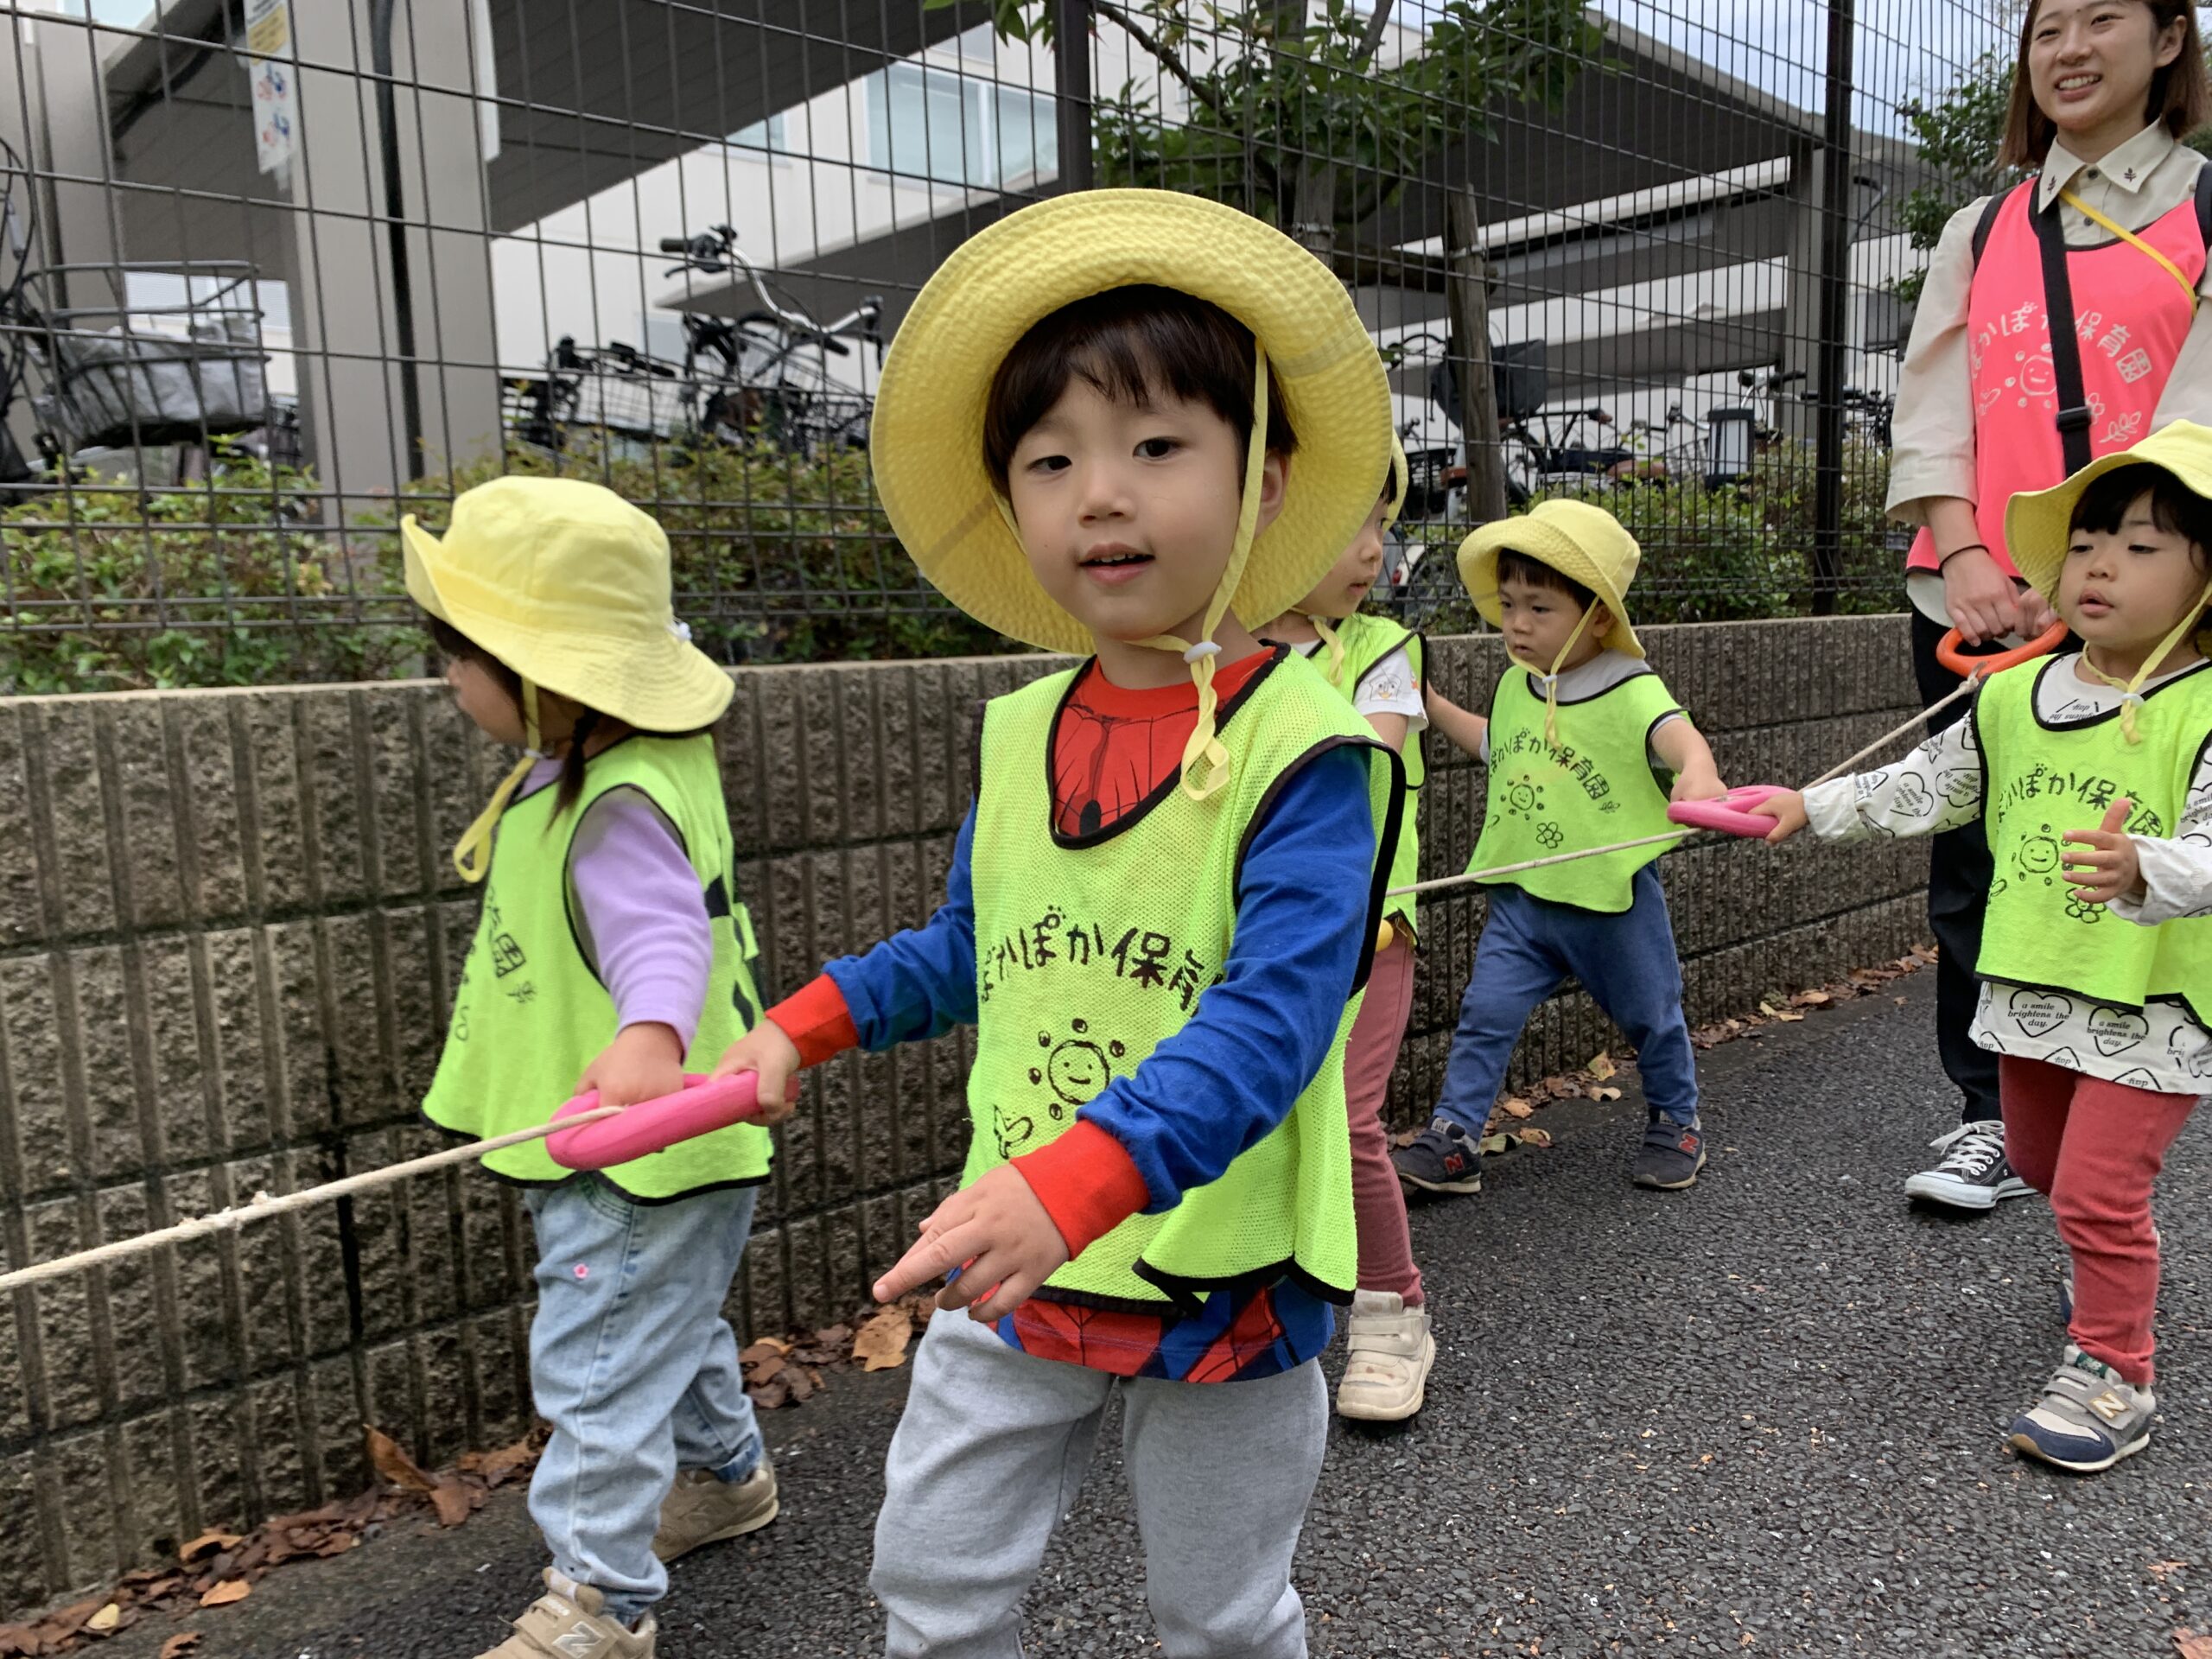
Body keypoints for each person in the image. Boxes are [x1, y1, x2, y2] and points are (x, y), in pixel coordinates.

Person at [713, 190, 1400, 1656]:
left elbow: (1274, 1027)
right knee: (933, 1584)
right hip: (1011, 1253)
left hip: (1221, 1273)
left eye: (1157, 447)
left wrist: (1078, 1179)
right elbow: (971, 945)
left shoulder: (1311, 747)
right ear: (1011, 501)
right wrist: (801, 1023)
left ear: (1266, 478)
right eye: (1052, 459)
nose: (1102, 493)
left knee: (1216, 1617)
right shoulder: (1019, 733)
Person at [1759, 423, 2212, 1471]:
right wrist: (1806, 806)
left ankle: (2115, 1373)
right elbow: (1926, 786)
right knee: (2048, 1167)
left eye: (2143, 546)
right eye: (2089, 538)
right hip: (2028, 988)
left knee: (2101, 1192)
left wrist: (2153, 868)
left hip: (2156, 1005)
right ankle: (2105, 1268)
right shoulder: (2013, 695)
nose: (2099, 562)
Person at [406, 478, 780, 1659]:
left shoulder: (615, 798)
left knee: (599, 1365)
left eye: (457, 658)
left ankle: (601, 1602)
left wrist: (648, 1037)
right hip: (649, 1143)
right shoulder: (602, 757)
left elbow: (663, 932)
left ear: (538, 671)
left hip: (639, 1133)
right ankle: (722, 1476)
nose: (448, 682)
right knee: (655, 1322)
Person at [1885, 0, 2211, 1211]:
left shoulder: (2205, 210)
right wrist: (1969, 556)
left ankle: (2126, 1110)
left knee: (2145, 856)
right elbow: (1930, 415)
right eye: (2045, 29)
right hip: (1982, 599)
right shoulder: (1981, 229)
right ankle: (1992, 1109)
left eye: (2100, 20)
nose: (2068, 51)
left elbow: (2196, 433)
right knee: (1976, 859)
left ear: (2170, 39)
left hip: (2164, 618)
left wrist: (2100, 582)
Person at [1393, 501, 1727, 1196]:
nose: (1515, 623)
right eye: (1509, 603)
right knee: (1484, 1014)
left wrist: (1699, 773)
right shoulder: (1519, 683)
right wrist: (1424, 701)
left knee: (1652, 1016)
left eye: (1538, 609)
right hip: (1523, 899)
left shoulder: (1629, 687)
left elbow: (1678, 736)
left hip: (1610, 898)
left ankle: (1677, 1120)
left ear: (1598, 615)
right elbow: (1497, 745)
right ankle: (1455, 1136)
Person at [1252, 442, 1434, 1422]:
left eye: (1379, 525)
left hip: (1369, 934)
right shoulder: (1218, 643)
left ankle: (1392, 1311)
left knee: (1349, 1123)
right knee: (1258, 1116)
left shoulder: (1382, 652)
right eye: (1345, 528)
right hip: (1247, 933)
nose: (1373, 550)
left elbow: (1366, 758)